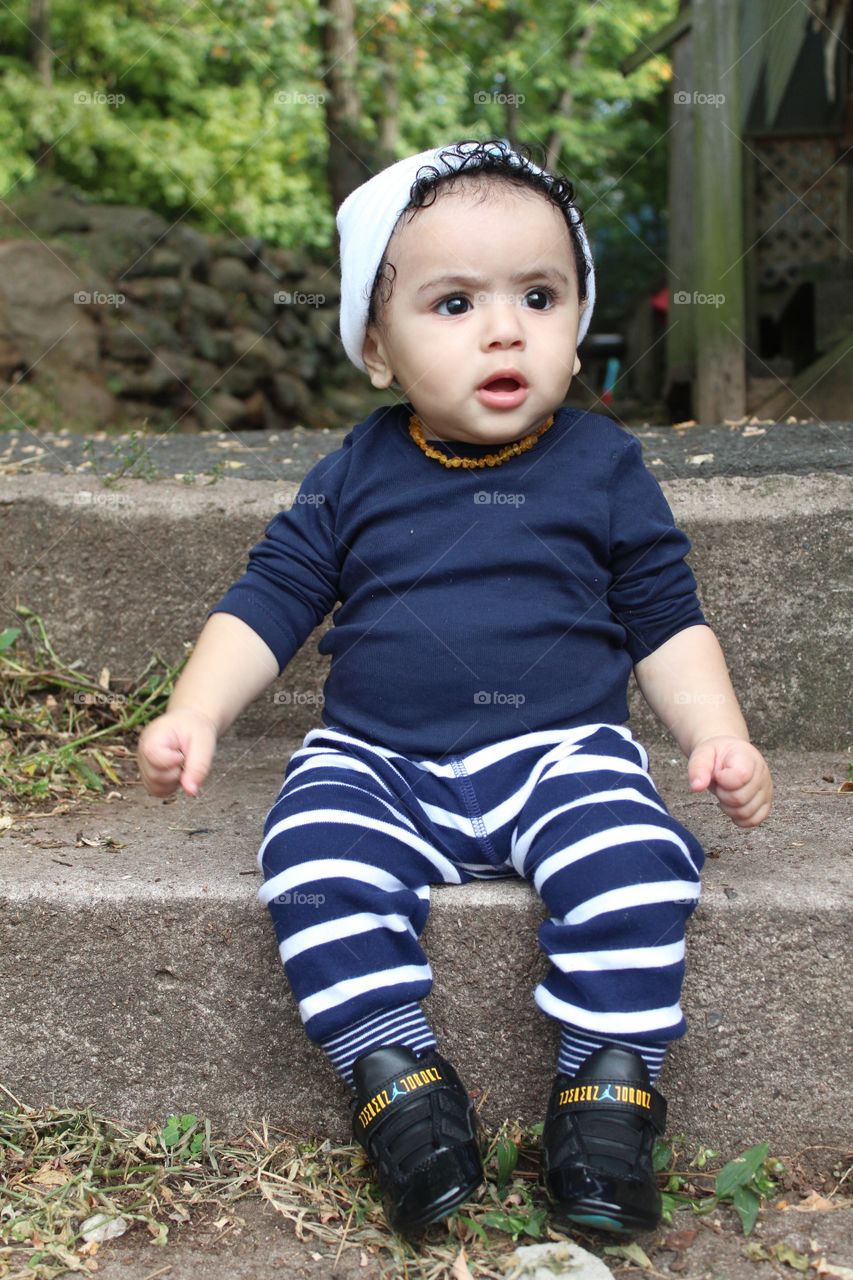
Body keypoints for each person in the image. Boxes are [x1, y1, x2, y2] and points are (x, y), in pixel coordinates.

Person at [137, 138, 773, 1238]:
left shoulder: (602, 467)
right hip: (376, 760)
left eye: (540, 294)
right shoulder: (356, 470)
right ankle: (395, 1074)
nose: (503, 328)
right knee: (311, 858)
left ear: (577, 324)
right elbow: (271, 598)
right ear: (376, 348)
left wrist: (717, 734)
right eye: (452, 302)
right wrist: (196, 711)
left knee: (634, 860)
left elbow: (665, 617)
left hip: (563, 754)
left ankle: (606, 1083)